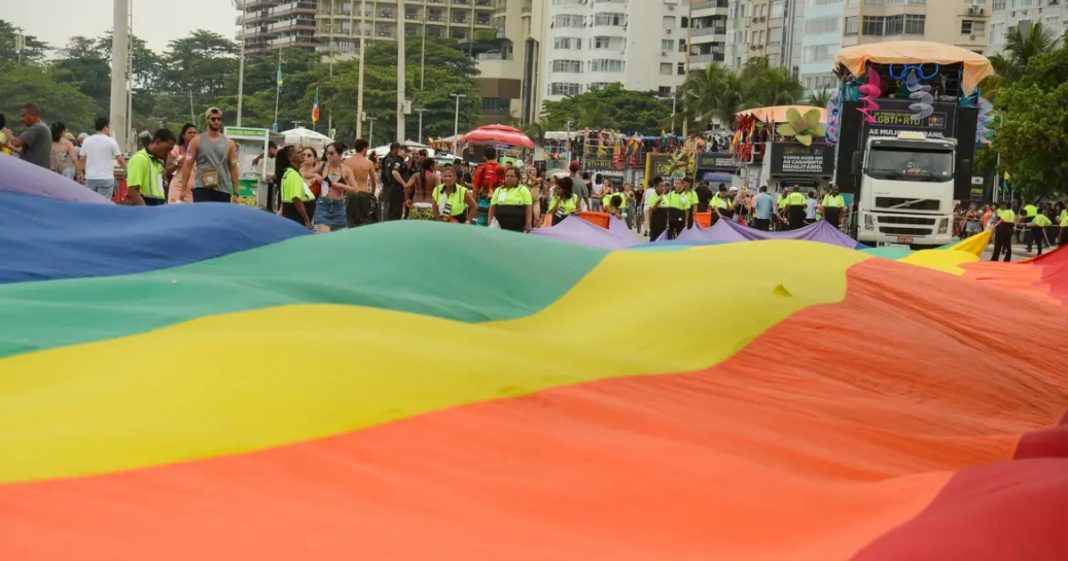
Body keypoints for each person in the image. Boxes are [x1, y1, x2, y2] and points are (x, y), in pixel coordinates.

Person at [178, 107, 240, 204]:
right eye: (213, 119)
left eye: (219, 119)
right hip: (202, 188)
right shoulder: (196, 141)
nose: (216, 121)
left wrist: (236, 192)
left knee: (220, 219)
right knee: (202, 218)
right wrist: (183, 190)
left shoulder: (230, 143)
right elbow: (187, 165)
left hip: (223, 190)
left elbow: (234, 168)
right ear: (207, 120)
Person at [125, 128, 177, 206]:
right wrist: (146, 212)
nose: (169, 153)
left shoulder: (158, 163)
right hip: (145, 210)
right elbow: (132, 191)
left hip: (157, 208)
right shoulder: (140, 159)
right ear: (158, 141)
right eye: (167, 149)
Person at [315, 142, 359, 232]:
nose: (328, 156)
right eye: (327, 153)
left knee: (337, 239)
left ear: (339, 154)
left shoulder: (346, 170)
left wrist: (342, 185)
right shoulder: (322, 165)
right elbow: (304, 173)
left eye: (331, 153)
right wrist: (316, 176)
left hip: (338, 206)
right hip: (323, 205)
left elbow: (356, 190)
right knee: (325, 237)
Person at [80, 117, 126, 199]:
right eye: (109, 127)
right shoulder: (111, 141)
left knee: (90, 202)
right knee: (104, 203)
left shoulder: (87, 140)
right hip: (106, 178)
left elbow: (82, 159)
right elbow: (120, 160)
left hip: (90, 178)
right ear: (105, 127)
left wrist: (80, 173)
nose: (109, 129)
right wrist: (127, 170)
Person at [4, 104, 52, 169]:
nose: (22, 119)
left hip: (34, 170)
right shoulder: (42, 127)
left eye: (24, 116)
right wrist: (6, 145)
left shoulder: (38, 127)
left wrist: (8, 134)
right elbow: (24, 152)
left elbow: (16, 143)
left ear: (32, 115)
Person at [343, 138, 378, 227]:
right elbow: (374, 181)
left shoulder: (346, 162)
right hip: (363, 193)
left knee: (349, 220)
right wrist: (372, 193)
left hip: (350, 193)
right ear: (364, 148)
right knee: (363, 222)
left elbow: (343, 179)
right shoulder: (368, 163)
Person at [276, 145, 314, 229]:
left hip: (292, 216)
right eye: (299, 152)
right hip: (296, 218)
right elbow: (296, 199)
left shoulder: (289, 173)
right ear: (290, 158)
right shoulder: (293, 175)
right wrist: (306, 220)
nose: (302, 154)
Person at [487, 167, 532, 233]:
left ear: (517, 178)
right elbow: (492, 207)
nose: (509, 178)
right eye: (507, 176)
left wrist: (528, 223)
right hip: (499, 226)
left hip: (518, 226)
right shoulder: (498, 190)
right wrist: (490, 221)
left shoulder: (523, 190)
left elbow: (528, 208)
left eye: (512, 176)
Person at [167, 123, 197, 203]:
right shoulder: (176, 149)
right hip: (177, 188)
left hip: (193, 191)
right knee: (174, 213)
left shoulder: (199, 152)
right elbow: (168, 170)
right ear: (183, 135)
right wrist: (177, 161)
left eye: (194, 133)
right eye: (190, 133)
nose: (192, 135)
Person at [379, 142, 408, 221]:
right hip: (391, 187)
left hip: (390, 187)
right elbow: (391, 173)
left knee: (390, 208)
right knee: (391, 209)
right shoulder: (391, 159)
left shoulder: (390, 159)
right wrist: (391, 184)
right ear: (395, 149)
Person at [646, 176, 669, 241]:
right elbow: (652, 210)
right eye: (661, 186)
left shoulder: (664, 196)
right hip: (656, 221)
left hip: (663, 221)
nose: (663, 188)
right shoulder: (653, 197)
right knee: (655, 238)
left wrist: (667, 222)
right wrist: (657, 203)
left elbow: (667, 210)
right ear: (656, 187)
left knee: (662, 238)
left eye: (663, 186)